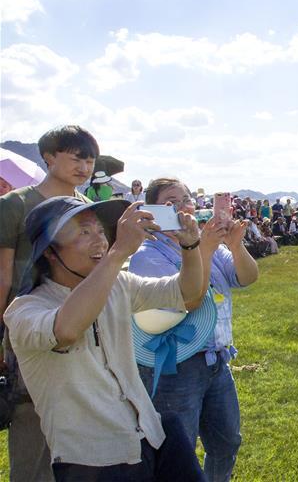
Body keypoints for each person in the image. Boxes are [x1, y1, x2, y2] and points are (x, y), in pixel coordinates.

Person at [4, 197, 209, 480]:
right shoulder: (24, 311)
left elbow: (186, 293)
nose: (99, 241)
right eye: (83, 233)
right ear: (50, 252)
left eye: (100, 231)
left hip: (152, 435)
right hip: (92, 461)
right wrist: (118, 253)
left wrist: (190, 246)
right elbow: (66, 330)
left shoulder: (117, 285)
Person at [129, 177, 259, 481]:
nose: (182, 206)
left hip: (216, 360)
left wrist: (236, 247)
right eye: (170, 202)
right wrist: (205, 248)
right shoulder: (147, 255)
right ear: (152, 211)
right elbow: (187, 300)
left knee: (227, 441)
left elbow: (247, 277)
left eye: (186, 199)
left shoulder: (207, 244)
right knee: (179, 449)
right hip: (175, 366)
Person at [0, 125, 98, 482]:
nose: (85, 166)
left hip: (83, 324)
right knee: (32, 424)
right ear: (49, 157)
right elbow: (4, 276)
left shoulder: (89, 208)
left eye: (89, 159)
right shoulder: (16, 204)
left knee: (83, 420)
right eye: (76, 157)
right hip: (29, 325)